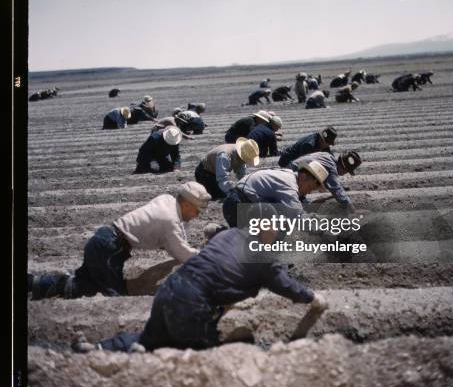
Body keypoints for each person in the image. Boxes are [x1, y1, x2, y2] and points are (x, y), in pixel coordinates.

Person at [72, 204, 327, 353]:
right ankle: (138, 366)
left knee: (148, 339)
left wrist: (231, 300)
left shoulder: (228, 236)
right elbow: (285, 285)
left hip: (170, 290)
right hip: (191, 303)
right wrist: (314, 297)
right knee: (201, 353)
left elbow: (219, 270)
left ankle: (99, 350)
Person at [28, 182, 211, 301]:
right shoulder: (170, 221)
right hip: (110, 249)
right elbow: (182, 253)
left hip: (104, 239)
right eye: (197, 211)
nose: (197, 216)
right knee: (115, 297)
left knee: (87, 284)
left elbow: (174, 232)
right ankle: (45, 283)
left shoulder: (167, 199)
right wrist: (207, 256)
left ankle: (36, 283)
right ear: (187, 204)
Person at [222, 160, 328, 227]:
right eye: (310, 187)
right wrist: (321, 228)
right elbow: (297, 216)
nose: (309, 192)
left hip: (236, 201)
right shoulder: (289, 185)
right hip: (237, 205)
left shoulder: (288, 174)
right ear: (303, 177)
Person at [286, 150, 361, 207]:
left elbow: (333, 183)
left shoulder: (328, 156)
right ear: (345, 169)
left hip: (292, 168)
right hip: (295, 175)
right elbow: (336, 189)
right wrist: (349, 206)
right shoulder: (331, 169)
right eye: (347, 172)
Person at [194, 138, 260, 199]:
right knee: (222, 195)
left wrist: (246, 188)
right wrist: (231, 192)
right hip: (204, 174)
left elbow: (242, 175)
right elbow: (222, 178)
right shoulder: (224, 156)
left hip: (215, 173)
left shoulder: (241, 153)